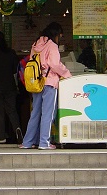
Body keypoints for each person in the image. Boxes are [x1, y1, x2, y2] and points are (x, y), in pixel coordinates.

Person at [20, 22, 72, 150]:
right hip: (49, 82)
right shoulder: (52, 46)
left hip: (37, 82)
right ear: (56, 34)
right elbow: (55, 64)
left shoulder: (36, 44)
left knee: (35, 113)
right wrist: (67, 74)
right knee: (48, 113)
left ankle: (28, 142)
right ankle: (44, 142)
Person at [0, 30, 22, 144]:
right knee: (12, 111)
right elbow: (15, 69)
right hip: (10, 86)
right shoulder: (11, 52)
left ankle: (1, 137)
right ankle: (18, 130)